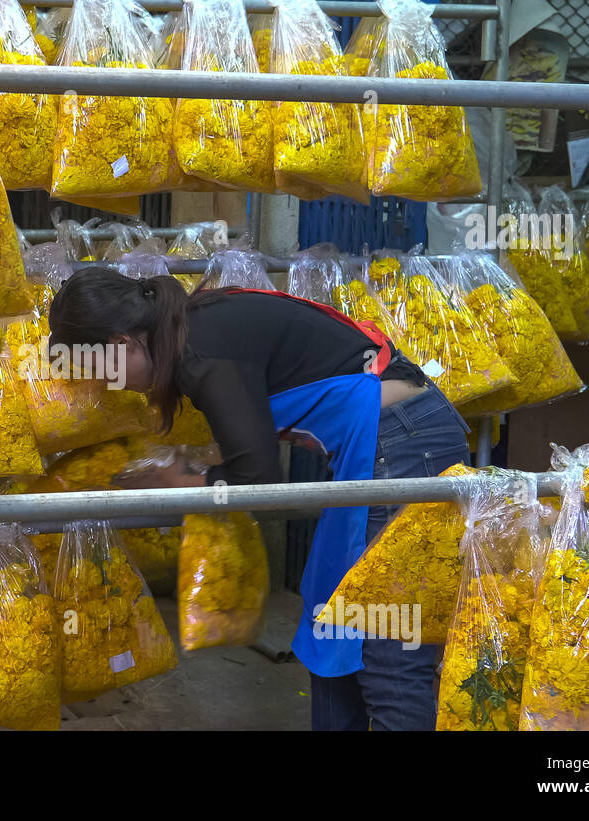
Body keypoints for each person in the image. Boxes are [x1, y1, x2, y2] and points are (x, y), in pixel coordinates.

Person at [48, 267, 471, 731]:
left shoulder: (201, 353)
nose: (108, 384)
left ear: (122, 342)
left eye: (98, 368)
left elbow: (257, 478)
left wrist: (186, 483)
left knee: (386, 644)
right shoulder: (197, 325)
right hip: (380, 445)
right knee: (334, 623)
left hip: (405, 446)